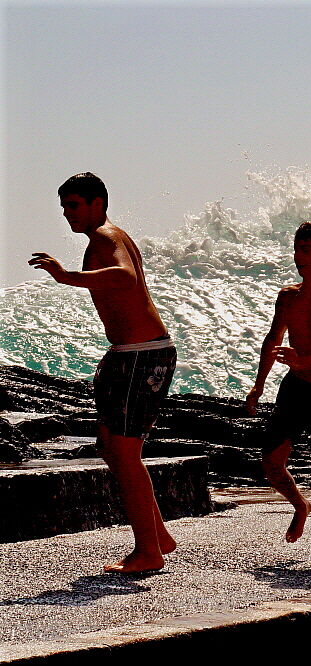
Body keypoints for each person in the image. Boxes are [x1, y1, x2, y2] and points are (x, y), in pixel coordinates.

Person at [30, 172, 177, 573]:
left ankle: (147, 553)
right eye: (63, 207)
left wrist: (66, 277)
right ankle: (158, 536)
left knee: (126, 453)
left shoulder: (106, 238)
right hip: (129, 354)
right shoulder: (107, 237)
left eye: (73, 205)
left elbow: (124, 277)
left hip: (142, 355)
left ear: (98, 203)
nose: (66, 214)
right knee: (112, 448)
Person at [245, 220, 311, 562]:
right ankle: (300, 505)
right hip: (297, 388)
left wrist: (302, 361)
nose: (297, 256)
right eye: (296, 249)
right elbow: (272, 340)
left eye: (305, 250)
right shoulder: (288, 296)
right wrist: (258, 385)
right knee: (271, 464)